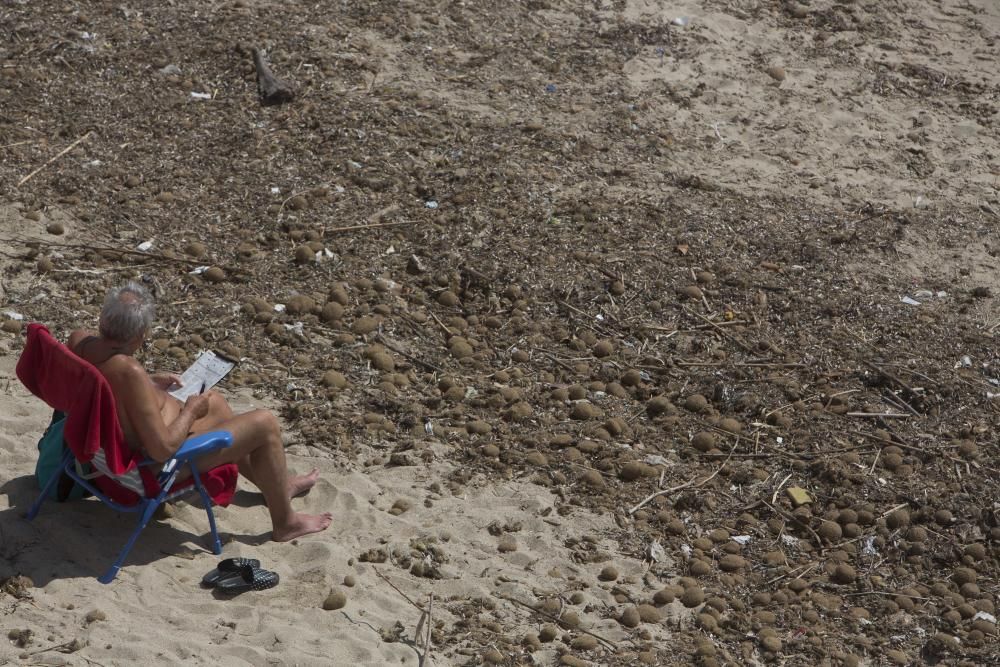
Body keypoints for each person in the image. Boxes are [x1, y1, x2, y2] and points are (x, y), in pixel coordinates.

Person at [68, 281, 332, 541]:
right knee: (264, 423)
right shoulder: (128, 372)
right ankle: (286, 523)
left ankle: (277, 486)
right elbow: (161, 449)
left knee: (215, 402)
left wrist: (148, 384)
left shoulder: (80, 344)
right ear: (140, 337)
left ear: (103, 321)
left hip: (102, 454)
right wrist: (191, 411)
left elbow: (112, 376)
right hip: (148, 469)